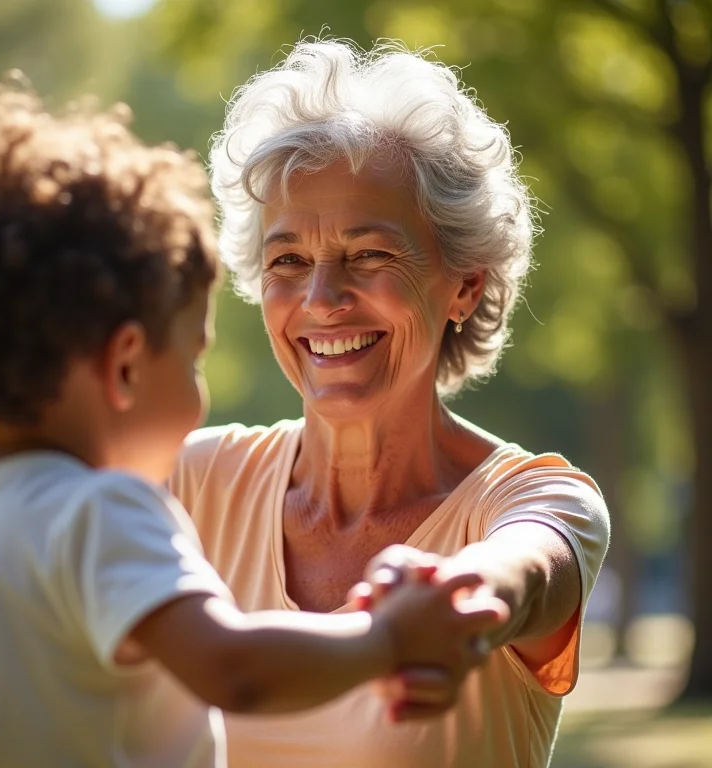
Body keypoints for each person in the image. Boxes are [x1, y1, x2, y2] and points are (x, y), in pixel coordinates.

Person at [0, 80, 509, 768]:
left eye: (367, 255)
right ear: (126, 363)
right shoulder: (104, 511)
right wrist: (386, 641)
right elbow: (234, 665)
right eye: (194, 357)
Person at [169, 39, 611, 768]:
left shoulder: (540, 497)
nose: (321, 301)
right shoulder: (189, 484)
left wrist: (458, 597)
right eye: (288, 261)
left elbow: (524, 570)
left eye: (369, 253)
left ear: (465, 284)